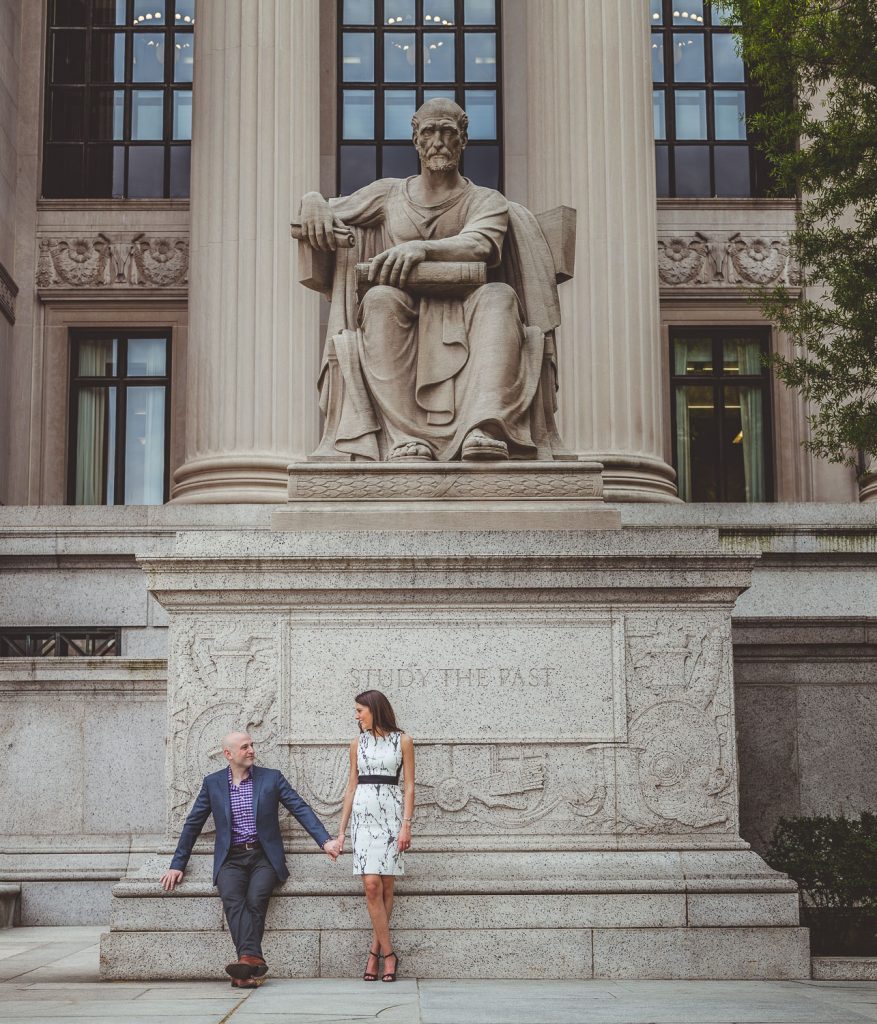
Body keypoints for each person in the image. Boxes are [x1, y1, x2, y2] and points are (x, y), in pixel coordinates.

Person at [298, 97, 569, 463]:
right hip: (404, 306)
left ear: (463, 139)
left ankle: (484, 427)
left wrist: (420, 250)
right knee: (379, 301)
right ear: (416, 140)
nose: (438, 141)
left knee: (500, 297)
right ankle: (406, 438)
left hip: (469, 305)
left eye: (448, 132)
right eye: (429, 132)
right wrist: (312, 200)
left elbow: (481, 244)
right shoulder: (388, 194)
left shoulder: (486, 200)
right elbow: (328, 210)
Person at [159, 731, 342, 987]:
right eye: (244, 747)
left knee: (256, 899)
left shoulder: (271, 778)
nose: (251, 750)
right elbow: (192, 824)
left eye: (252, 745)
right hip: (230, 858)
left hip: (263, 857)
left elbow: (299, 807)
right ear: (228, 754)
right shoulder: (213, 783)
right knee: (233, 899)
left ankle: (245, 963)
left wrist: (325, 841)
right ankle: (251, 963)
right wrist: (177, 864)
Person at [336, 690, 415, 983]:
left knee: (386, 886)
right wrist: (342, 831)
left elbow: (409, 787)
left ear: (374, 710)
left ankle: (374, 952)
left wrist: (406, 825)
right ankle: (389, 953)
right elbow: (351, 787)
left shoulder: (403, 740)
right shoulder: (357, 743)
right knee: (371, 885)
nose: (356, 716)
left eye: (360, 710)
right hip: (363, 818)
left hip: (392, 817)